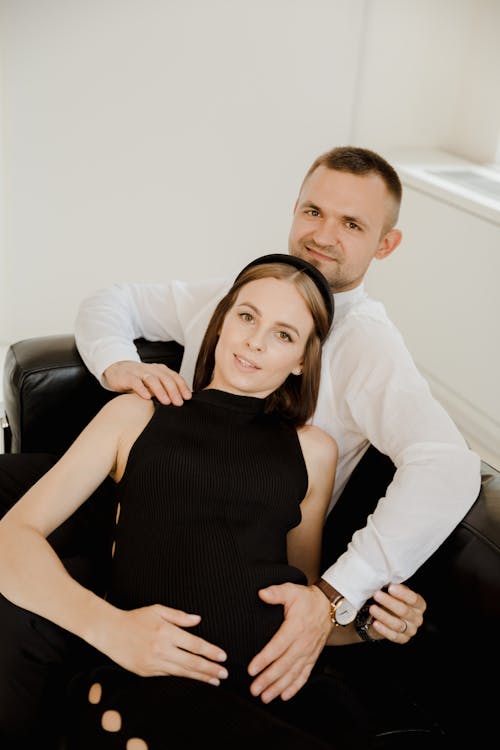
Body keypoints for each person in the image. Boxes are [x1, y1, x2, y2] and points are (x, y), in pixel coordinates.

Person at [72, 146, 481, 698]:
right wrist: (118, 363)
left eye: (352, 224)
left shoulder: (366, 344)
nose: (323, 234)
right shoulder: (242, 295)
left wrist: (338, 596)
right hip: (133, 499)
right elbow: (112, 300)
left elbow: (449, 466)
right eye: (313, 212)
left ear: (385, 244)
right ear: (294, 209)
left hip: (227, 561)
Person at [0, 255, 426, 750]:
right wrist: (110, 629)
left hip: (281, 694)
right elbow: (11, 538)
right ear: (222, 322)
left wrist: (370, 626)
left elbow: (302, 605)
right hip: (155, 691)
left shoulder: (314, 450)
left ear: (302, 361)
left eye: (284, 335)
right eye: (247, 317)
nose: (256, 340)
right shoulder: (136, 414)